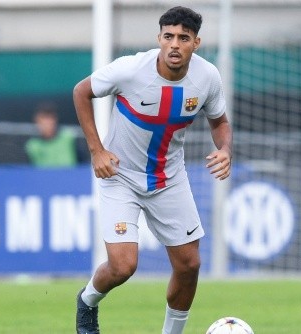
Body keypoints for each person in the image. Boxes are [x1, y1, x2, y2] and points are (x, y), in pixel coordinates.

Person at [72, 6, 232, 334]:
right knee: (123, 265)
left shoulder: (207, 77)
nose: (175, 44)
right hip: (120, 176)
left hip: (169, 179)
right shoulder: (130, 69)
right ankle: (87, 301)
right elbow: (81, 92)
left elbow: (220, 122)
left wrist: (225, 149)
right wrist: (97, 150)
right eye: (169, 36)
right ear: (159, 38)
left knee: (190, 265)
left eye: (183, 38)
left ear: (196, 43)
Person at [25, 103, 78, 167]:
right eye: (43, 119)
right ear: (37, 121)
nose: (47, 123)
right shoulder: (32, 146)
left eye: (50, 118)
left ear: (55, 119)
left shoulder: (69, 138)